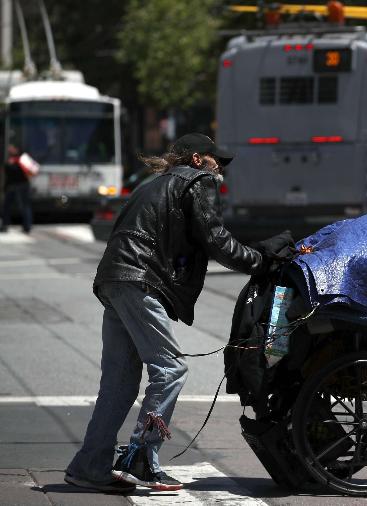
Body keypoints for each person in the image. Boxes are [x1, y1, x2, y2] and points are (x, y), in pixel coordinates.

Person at [65, 133, 294, 493]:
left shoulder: (153, 183)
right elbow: (215, 239)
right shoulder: (197, 180)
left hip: (115, 279)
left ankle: (90, 466)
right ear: (198, 159)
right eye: (217, 159)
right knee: (171, 369)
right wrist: (261, 261)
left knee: (119, 382)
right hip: (140, 280)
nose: (221, 167)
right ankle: (140, 458)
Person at [1, 144, 34, 233]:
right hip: (12, 186)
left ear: (16, 149)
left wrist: (11, 165)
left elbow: (23, 172)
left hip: (21, 185)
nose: (9, 149)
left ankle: (27, 226)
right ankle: (5, 225)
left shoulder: (22, 158)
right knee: (6, 206)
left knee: (24, 206)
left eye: (11, 148)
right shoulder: (12, 158)